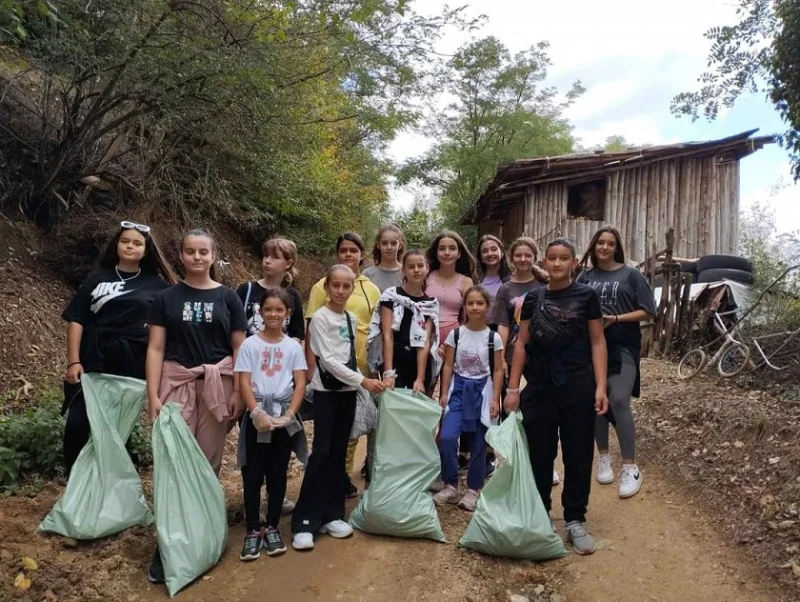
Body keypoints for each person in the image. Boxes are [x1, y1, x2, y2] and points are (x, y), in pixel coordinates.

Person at [145, 228, 247, 583]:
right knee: (174, 463)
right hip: (176, 383)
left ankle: (202, 532)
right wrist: (153, 395)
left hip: (219, 386)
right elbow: (156, 348)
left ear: (213, 255)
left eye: (204, 252)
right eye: (190, 251)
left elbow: (239, 348)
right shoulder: (166, 298)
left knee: (208, 462)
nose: (197, 257)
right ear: (182, 255)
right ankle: (169, 544)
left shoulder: (229, 298)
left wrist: (239, 392)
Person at [504, 237, 609, 556]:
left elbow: (597, 341)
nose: (558, 263)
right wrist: (512, 389)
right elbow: (521, 343)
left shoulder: (587, 295)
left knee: (578, 453)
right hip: (539, 385)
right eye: (552, 258)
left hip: (578, 384)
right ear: (545, 263)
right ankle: (540, 514)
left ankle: (575, 519)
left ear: (574, 262)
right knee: (540, 452)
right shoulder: (532, 299)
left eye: (564, 258)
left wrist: (601, 386)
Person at [61, 221, 176, 474]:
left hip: (131, 364)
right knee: (77, 425)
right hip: (93, 360)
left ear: (145, 250)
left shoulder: (158, 287)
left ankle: (105, 487)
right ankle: (75, 484)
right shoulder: (97, 277)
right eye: (125, 241)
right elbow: (77, 318)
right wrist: (73, 360)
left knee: (115, 430)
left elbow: (169, 325)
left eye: (137, 243)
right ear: (117, 244)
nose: (130, 246)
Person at [291, 265, 385, 551]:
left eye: (347, 286)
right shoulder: (319, 318)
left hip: (346, 393)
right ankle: (304, 520)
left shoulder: (351, 317)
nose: (341, 291)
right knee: (320, 452)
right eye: (336, 286)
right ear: (327, 287)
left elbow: (348, 356)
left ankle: (332, 514)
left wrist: (357, 383)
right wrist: (363, 381)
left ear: (352, 288)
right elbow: (328, 360)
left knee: (338, 451)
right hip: (326, 394)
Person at [577, 226, 655, 499]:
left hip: (622, 345)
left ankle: (630, 467)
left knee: (619, 398)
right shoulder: (585, 277)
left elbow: (649, 311)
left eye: (610, 243)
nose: (605, 247)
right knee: (597, 400)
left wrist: (617, 318)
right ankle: (604, 457)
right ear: (594, 246)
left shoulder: (631, 275)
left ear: (617, 247)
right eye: (601, 242)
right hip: (589, 348)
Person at [305, 233, 380, 498]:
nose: (348, 255)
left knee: (355, 426)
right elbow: (312, 331)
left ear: (362, 254)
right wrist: (310, 370)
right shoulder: (319, 288)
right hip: (331, 373)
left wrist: (370, 370)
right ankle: (327, 487)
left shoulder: (371, 288)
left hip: (359, 364)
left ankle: (344, 482)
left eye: (353, 250)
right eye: (343, 250)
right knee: (327, 439)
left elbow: (376, 327)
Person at [235, 287, 307, 561]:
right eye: (268, 309)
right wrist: (254, 412)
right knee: (252, 474)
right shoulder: (250, 344)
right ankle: (253, 529)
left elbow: (300, 382)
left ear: (288, 314)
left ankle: (273, 526)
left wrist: (289, 414)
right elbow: (243, 380)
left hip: (282, 418)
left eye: (279, 310)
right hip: (256, 417)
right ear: (260, 312)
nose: (273, 314)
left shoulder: (292, 347)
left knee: (278, 473)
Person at [236, 236, 304, 515]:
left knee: (279, 445)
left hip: (280, 383)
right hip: (250, 380)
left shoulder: (294, 297)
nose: (267, 261)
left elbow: (298, 336)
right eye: (265, 255)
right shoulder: (246, 290)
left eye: (274, 257)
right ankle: (253, 499)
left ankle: (275, 497)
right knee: (252, 442)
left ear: (287, 263)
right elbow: (237, 333)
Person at [493, 237, 560, 485]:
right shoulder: (505, 289)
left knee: (541, 410)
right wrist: (500, 357)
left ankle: (545, 461)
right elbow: (502, 324)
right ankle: (511, 460)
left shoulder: (546, 284)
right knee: (508, 407)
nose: (523, 259)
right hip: (513, 352)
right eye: (518, 255)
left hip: (540, 353)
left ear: (534, 257)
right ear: (511, 259)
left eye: (527, 255)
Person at [433, 286, 504, 512]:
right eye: (470, 303)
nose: (474, 307)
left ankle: (473, 489)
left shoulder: (493, 338)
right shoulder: (456, 334)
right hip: (459, 389)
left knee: (478, 443)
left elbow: (499, 370)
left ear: (487, 307)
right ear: (464, 306)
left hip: (482, 391)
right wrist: (444, 393)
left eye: (479, 303)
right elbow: (448, 365)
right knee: (447, 437)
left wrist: (495, 399)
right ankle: (451, 484)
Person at [475, 234, 511, 325]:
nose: (490, 253)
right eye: (484, 251)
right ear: (480, 257)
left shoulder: (512, 280)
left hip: (505, 328)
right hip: (479, 328)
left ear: (502, 253)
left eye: (494, 249)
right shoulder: (474, 281)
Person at [363, 223, 406, 292]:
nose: (389, 247)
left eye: (393, 243)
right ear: (378, 245)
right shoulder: (367, 274)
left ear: (400, 245)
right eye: (384, 243)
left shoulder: (406, 274)